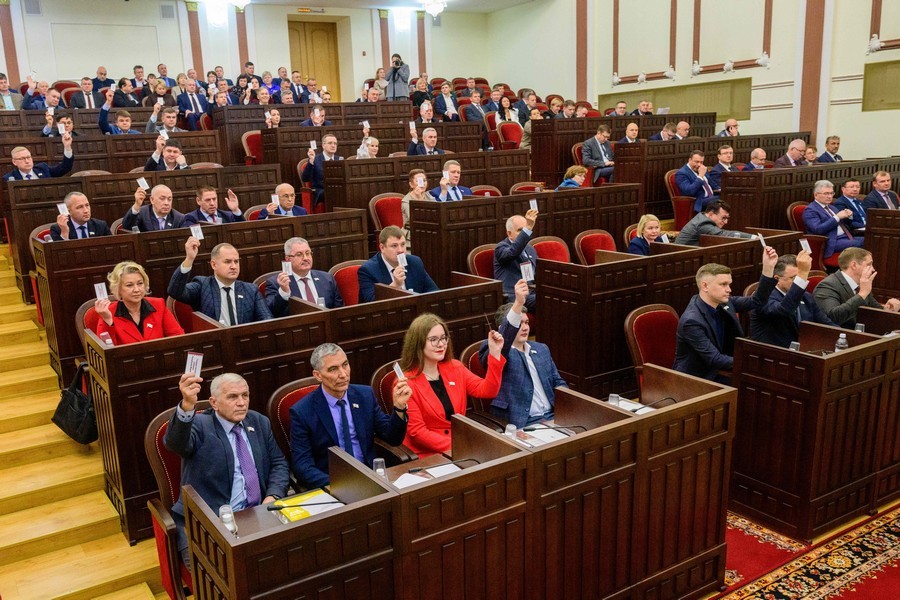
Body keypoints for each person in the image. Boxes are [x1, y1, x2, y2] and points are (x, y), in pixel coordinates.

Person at [165, 372, 289, 567]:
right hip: (209, 523)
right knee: (223, 575)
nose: (241, 403)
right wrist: (187, 405)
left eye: (245, 395)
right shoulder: (199, 425)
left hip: (259, 514)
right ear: (214, 403)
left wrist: (272, 496)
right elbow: (176, 444)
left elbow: (278, 463)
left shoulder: (258, 422)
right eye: (233, 397)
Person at [289, 343, 409, 488]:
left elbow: (393, 438)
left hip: (370, 477)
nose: (343, 374)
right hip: (332, 483)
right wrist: (342, 485)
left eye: (345, 365)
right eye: (333, 369)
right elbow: (302, 467)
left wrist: (399, 407)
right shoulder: (302, 412)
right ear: (318, 375)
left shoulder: (364, 396)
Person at [401, 313, 505, 457]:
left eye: (443, 338)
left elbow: (488, 391)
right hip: (429, 454)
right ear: (418, 343)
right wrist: (460, 446)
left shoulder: (455, 367)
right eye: (433, 340)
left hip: (460, 445)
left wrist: (494, 353)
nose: (441, 344)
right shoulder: (406, 382)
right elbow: (417, 432)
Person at [673, 246, 778, 383]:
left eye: (729, 284)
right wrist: (752, 362)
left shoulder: (724, 303)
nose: (729, 289)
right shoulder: (691, 321)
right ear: (705, 286)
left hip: (722, 370)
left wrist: (768, 268)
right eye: (723, 284)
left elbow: (757, 301)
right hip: (697, 379)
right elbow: (714, 359)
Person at [480, 279, 567, 427]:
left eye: (526, 322)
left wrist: (570, 407)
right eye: (519, 323)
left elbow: (558, 382)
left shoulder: (541, 349)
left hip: (553, 417)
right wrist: (518, 303)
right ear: (502, 328)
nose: (525, 327)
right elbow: (505, 340)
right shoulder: (496, 350)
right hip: (522, 423)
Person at [168, 239, 274, 325]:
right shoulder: (202, 285)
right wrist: (189, 259)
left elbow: (267, 318)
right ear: (214, 265)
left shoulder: (250, 290)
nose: (233, 266)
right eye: (227, 262)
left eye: (236, 261)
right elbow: (175, 291)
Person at [750, 252, 834, 348]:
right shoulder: (763, 298)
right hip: (772, 353)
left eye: (800, 278)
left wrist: (845, 336)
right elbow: (783, 310)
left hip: (804, 349)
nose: (798, 282)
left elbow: (826, 323)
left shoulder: (806, 297)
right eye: (794, 278)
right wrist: (802, 274)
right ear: (777, 279)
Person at [94, 261, 183, 344]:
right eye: (129, 285)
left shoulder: (158, 304)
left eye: (140, 283)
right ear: (118, 289)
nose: (136, 289)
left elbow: (178, 337)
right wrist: (107, 320)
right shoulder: (108, 312)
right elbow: (106, 348)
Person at [813, 248, 900, 329]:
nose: (873, 269)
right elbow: (833, 317)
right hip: (838, 335)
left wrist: (888, 310)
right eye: (869, 264)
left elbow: (875, 311)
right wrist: (862, 294)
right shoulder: (827, 285)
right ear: (854, 265)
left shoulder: (861, 286)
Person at [357, 226, 439, 302]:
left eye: (403, 244)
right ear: (382, 248)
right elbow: (372, 303)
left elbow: (434, 292)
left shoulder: (415, 262)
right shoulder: (368, 270)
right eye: (394, 246)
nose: (400, 250)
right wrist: (395, 285)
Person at [265, 237, 344, 315]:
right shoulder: (275, 283)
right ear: (288, 259)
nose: (305, 258)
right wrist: (284, 292)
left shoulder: (327, 279)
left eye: (308, 253)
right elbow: (271, 314)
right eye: (299, 254)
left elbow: (340, 311)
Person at [802, 180, 863, 257]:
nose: (830, 196)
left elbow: (845, 224)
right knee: (865, 242)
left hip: (846, 236)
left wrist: (849, 216)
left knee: (872, 239)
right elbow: (818, 229)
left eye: (831, 193)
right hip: (831, 241)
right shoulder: (810, 210)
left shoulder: (832, 207)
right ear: (816, 195)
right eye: (826, 193)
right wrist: (837, 217)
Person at [495, 209, 539, 312]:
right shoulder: (501, 248)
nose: (524, 233)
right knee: (545, 300)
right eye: (520, 230)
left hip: (532, 292)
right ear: (509, 233)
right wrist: (528, 228)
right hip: (514, 296)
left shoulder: (530, 249)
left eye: (525, 230)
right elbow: (513, 251)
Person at [675, 200, 755, 245]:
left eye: (727, 218)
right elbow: (724, 235)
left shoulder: (702, 217)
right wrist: (753, 237)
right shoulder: (702, 224)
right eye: (723, 218)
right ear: (711, 214)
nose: (726, 222)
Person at [4, 137, 74, 181]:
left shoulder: (43, 169)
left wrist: (67, 147)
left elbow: (64, 168)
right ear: (14, 162)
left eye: (28, 157)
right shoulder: (9, 178)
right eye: (22, 158)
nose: (27, 161)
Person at [301, 133, 342, 208]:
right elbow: (305, 178)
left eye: (335, 143)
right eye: (330, 143)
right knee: (333, 192)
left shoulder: (340, 159)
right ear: (323, 145)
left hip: (338, 189)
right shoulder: (315, 159)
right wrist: (311, 161)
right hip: (321, 191)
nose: (333, 145)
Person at [401, 169, 433, 246]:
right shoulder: (406, 201)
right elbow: (418, 220)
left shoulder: (428, 195)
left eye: (424, 180)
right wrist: (419, 199)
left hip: (430, 233)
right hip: (412, 236)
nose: (423, 184)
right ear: (411, 184)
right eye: (418, 181)